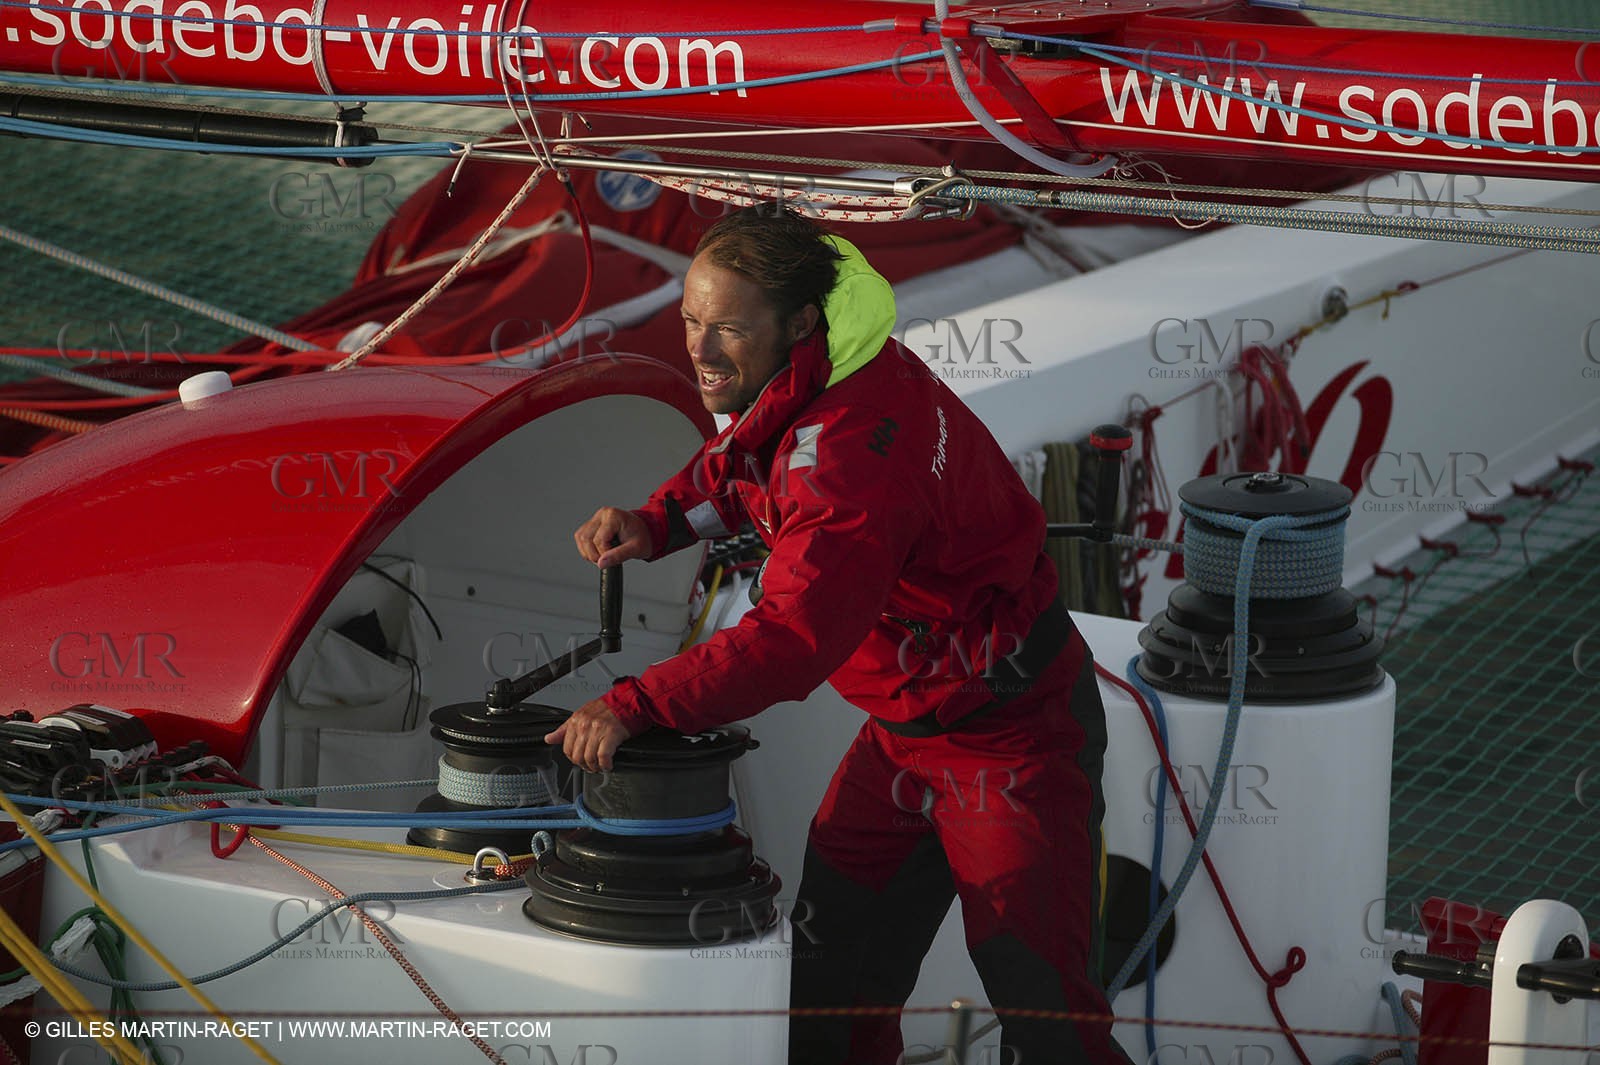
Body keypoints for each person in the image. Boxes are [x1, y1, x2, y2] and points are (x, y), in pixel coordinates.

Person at [549, 205, 1128, 1065]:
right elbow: (746, 463)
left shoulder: (853, 459)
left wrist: (633, 704)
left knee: (1046, 1015)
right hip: (902, 738)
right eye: (691, 321)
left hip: (1012, 739)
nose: (700, 351)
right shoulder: (836, 365)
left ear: (798, 325)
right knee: (829, 983)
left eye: (727, 330)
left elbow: (791, 639)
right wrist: (656, 520)